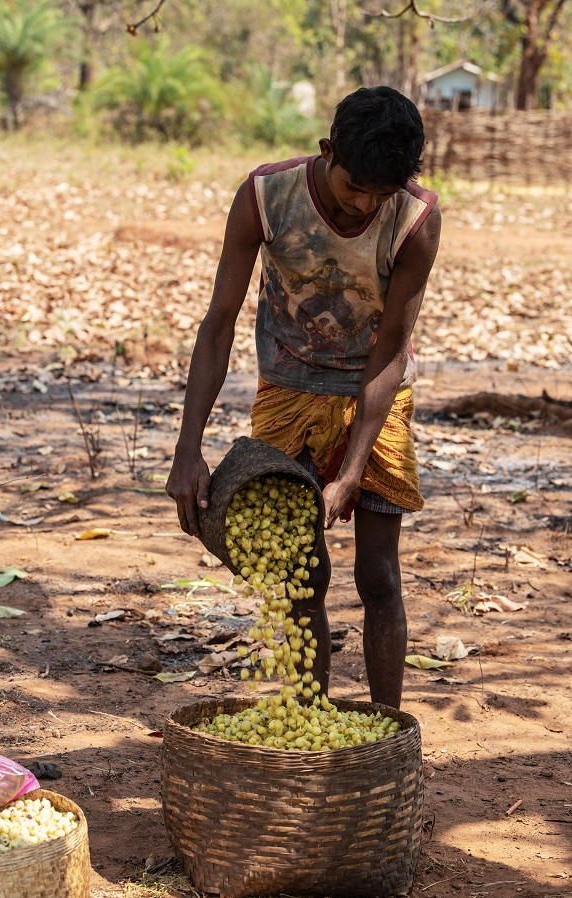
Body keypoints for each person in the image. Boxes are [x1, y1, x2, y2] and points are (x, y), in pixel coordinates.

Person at [166, 86, 441, 710]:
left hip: (378, 393)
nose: (364, 204)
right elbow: (218, 324)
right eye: (353, 187)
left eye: (381, 193)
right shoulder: (266, 197)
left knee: (378, 575)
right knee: (300, 578)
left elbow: (390, 350)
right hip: (288, 392)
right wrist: (188, 450)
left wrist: (350, 473)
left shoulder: (417, 219)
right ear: (328, 152)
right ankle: (312, 724)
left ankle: (386, 731)